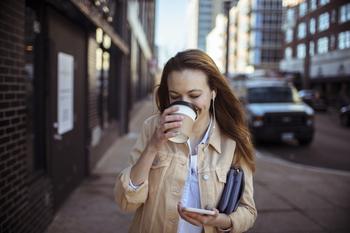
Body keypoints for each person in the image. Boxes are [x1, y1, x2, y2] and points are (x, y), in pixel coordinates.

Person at [114, 49, 257, 233]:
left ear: (213, 92)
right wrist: (153, 146)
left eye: (194, 95)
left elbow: (249, 211)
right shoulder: (152, 127)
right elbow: (126, 202)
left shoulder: (233, 139)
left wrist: (220, 221)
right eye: (175, 96)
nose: (185, 103)